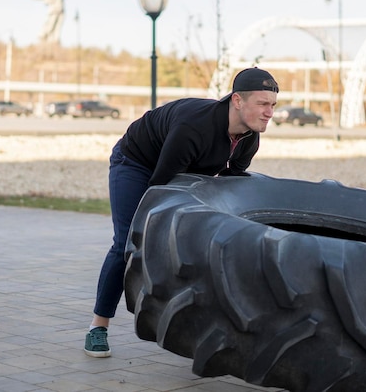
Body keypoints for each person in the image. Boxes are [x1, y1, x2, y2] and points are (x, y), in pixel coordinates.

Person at [84, 67, 279, 357]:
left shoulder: (249, 138)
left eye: (273, 105)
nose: (269, 113)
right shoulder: (194, 127)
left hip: (180, 168)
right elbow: (159, 191)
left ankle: (198, 326)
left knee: (200, 241)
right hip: (137, 163)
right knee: (128, 242)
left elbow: (229, 186)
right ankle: (98, 327)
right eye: (263, 104)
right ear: (237, 100)